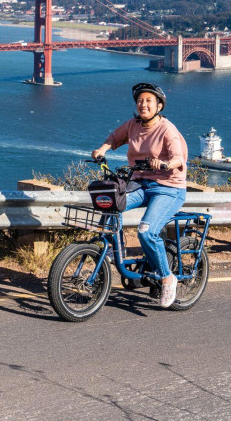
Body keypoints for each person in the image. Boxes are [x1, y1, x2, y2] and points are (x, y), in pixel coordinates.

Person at [91, 82, 188, 308]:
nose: (143, 105)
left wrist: (164, 164)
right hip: (141, 183)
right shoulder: (133, 125)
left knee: (146, 231)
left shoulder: (167, 129)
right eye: (140, 101)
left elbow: (178, 159)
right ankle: (112, 254)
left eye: (148, 101)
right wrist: (102, 150)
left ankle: (167, 278)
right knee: (113, 204)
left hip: (169, 187)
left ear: (159, 106)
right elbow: (114, 138)